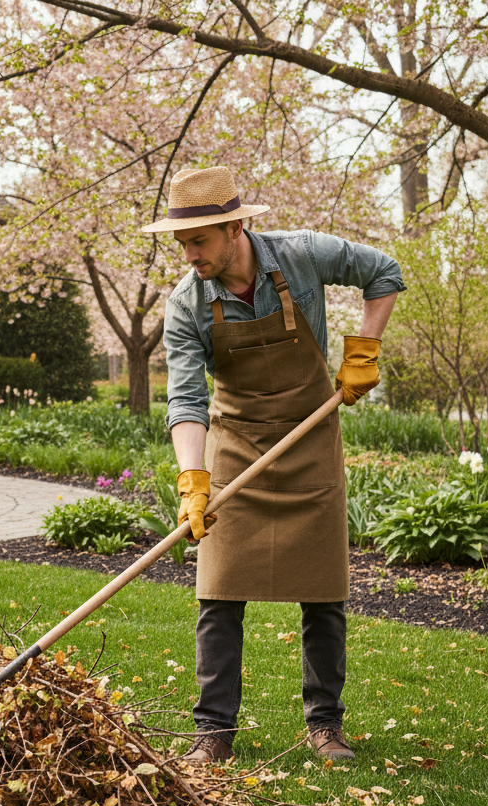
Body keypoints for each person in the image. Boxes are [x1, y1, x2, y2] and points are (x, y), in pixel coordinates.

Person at [142, 165, 405, 764]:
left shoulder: (302, 255)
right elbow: (186, 400)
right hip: (236, 443)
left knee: (323, 593)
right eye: (182, 242)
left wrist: (365, 349)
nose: (189, 255)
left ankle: (325, 725)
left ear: (234, 228)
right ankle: (213, 731)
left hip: (309, 437)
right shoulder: (186, 304)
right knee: (219, 590)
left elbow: (383, 272)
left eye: (199, 240)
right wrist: (194, 477)